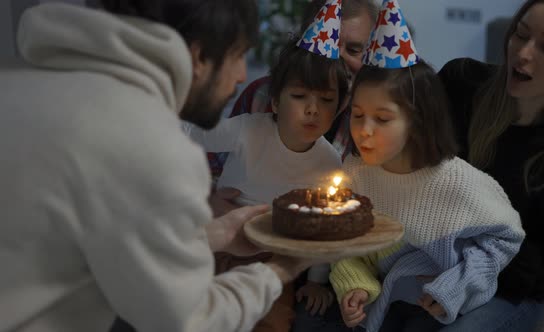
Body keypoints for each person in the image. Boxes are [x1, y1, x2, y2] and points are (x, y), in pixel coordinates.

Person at [0, 1, 321, 331]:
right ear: (198, 56)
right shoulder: (150, 142)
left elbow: (88, 246)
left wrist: (214, 235)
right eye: (238, 55)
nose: (242, 75)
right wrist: (283, 267)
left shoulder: (15, 85)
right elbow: (191, 321)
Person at [328, 2, 525, 332]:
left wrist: (457, 286)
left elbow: (504, 240)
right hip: (384, 299)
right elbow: (346, 247)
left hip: (445, 306)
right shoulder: (354, 174)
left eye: (383, 118)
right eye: (358, 115)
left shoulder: (457, 181)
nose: (364, 130)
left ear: (418, 122)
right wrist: (355, 284)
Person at [181, 5, 350, 329]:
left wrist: (316, 278)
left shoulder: (329, 161)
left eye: (327, 100)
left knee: (274, 322)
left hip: (275, 255)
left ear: (340, 106)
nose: (313, 110)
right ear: (275, 101)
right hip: (221, 238)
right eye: (300, 96)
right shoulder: (249, 129)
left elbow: (324, 225)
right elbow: (191, 134)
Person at [436, 0, 544, 330]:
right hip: (429, 261)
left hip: (507, 293)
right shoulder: (459, 82)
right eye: (520, 35)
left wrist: (475, 242)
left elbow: (543, 278)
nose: (522, 53)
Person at [208, 0, 379, 218]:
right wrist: (211, 198)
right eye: (327, 42)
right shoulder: (260, 97)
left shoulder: (370, 121)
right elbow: (209, 162)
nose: (336, 57)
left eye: (354, 49)